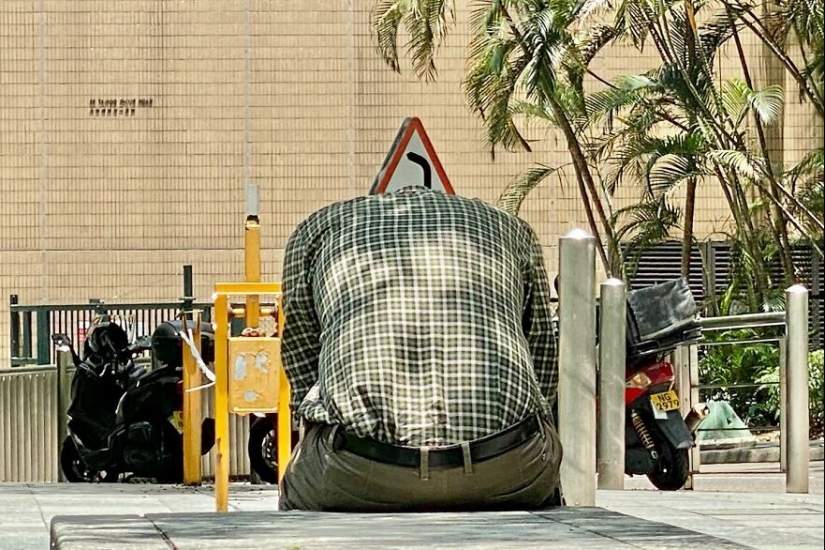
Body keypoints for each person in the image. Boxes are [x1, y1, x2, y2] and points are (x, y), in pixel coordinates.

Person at [278, 185, 561, 512]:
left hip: (359, 469)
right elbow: (542, 354)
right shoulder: (510, 227)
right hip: (506, 465)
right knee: (543, 457)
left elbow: (301, 355)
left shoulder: (319, 228)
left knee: (298, 488)